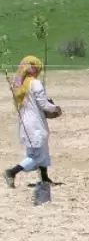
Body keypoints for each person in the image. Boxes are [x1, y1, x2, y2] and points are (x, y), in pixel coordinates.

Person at [5, 56, 61, 189]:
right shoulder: (35, 83)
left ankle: (44, 177)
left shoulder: (19, 82)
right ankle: (12, 172)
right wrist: (55, 108)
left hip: (25, 121)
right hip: (34, 122)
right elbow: (43, 104)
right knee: (36, 155)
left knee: (41, 149)